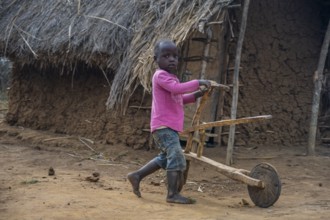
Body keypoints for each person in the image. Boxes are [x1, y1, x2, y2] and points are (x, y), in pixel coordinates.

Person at [127, 39, 211, 204]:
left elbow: (178, 98)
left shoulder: (170, 78)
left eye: (175, 56)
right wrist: (198, 82)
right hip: (163, 127)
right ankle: (172, 194)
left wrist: (197, 95)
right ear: (156, 59)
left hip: (167, 127)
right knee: (177, 156)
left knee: (165, 158)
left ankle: (136, 175)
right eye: (166, 56)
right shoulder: (161, 76)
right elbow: (177, 89)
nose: (172, 59)